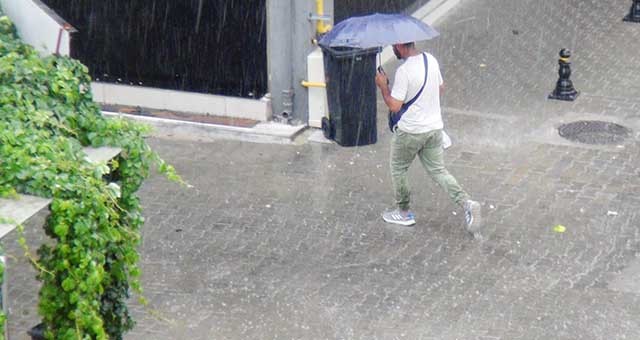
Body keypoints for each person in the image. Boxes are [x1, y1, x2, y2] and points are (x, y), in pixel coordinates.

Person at [374, 42, 482, 235]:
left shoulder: (404, 71)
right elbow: (440, 89)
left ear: (400, 45)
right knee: (439, 171)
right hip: (434, 129)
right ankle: (467, 203)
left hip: (411, 131)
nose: (393, 49)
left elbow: (394, 106)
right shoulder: (430, 60)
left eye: (394, 46)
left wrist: (383, 87)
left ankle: (404, 212)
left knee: (398, 168)